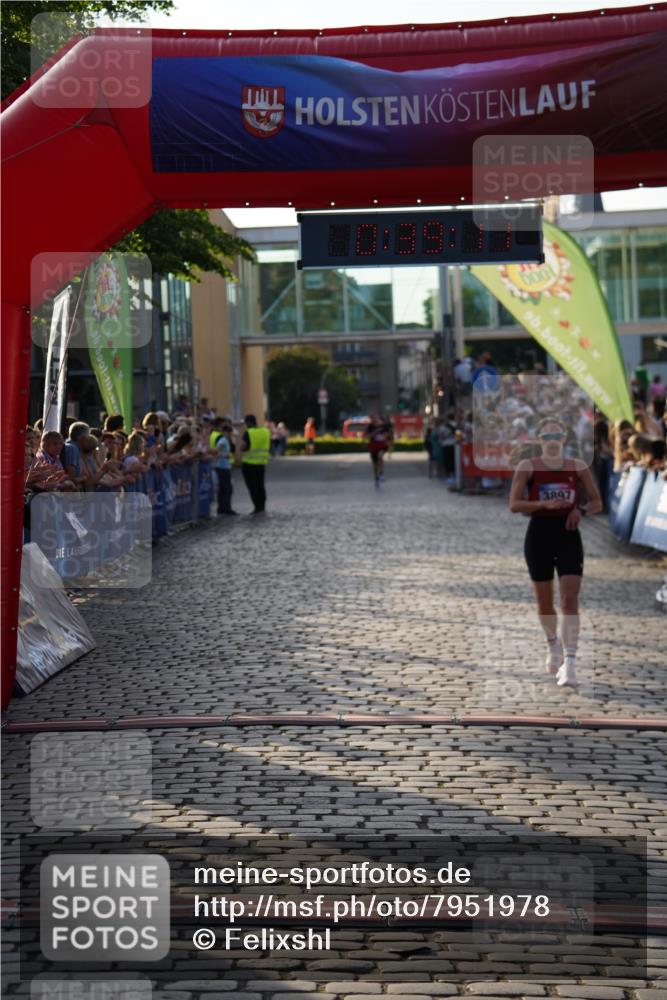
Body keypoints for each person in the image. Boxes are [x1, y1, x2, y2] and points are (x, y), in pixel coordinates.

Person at [509, 416, 603, 687]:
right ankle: (553, 645)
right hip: (539, 534)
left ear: (564, 439)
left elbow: (597, 502)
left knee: (569, 600)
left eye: (557, 436)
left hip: (568, 533)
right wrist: (543, 505)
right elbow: (514, 504)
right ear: (539, 440)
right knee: (544, 602)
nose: (552, 441)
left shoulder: (577, 466)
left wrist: (580, 509)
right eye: (546, 437)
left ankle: (570, 663)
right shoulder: (528, 466)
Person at [240, 414, 270, 514]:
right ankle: (262, 506)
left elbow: (242, 447)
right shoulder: (265, 432)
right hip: (261, 463)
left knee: (252, 487)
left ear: (248, 423)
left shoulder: (248, 432)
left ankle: (257, 507)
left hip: (249, 464)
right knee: (260, 485)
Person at [213, 419, 237, 515]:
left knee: (223, 489)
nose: (231, 435)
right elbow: (216, 451)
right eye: (230, 433)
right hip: (222, 467)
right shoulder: (223, 440)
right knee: (227, 489)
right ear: (226, 432)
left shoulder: (225, 440)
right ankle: (226, 508)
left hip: (224, 467)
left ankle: (222, 508)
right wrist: (224, 455)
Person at [366, 412, 391, 487]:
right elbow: (367, 436)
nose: (375, 420)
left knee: (380, 456)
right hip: (373, 447)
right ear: (372, 419)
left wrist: (385, 437)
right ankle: (376, 478)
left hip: (382, 446)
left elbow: (388, 435)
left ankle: (381, 473)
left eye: (377, 418)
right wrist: (375, 432)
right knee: (375, 465)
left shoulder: (383, 426)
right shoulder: (370, 427)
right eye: (374, 418)